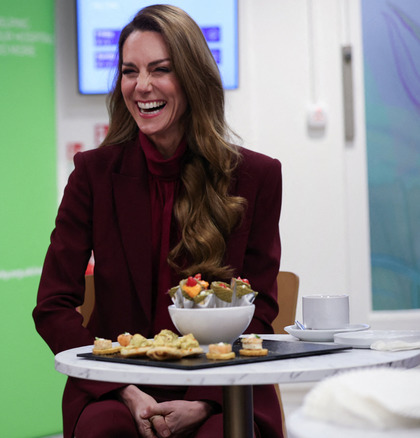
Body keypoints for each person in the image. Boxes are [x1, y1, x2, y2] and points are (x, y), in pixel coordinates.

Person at [33, 5, 283, 438]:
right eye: (130, 71)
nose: (142, 86)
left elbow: (258, 309)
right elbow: (52, 306)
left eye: (160, 70)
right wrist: (124, 388)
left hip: (223, 383)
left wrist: (203, 400)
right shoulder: (93, 174)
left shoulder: (256, 176)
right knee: (105, 431)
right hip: (115, 383)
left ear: (193, 78)